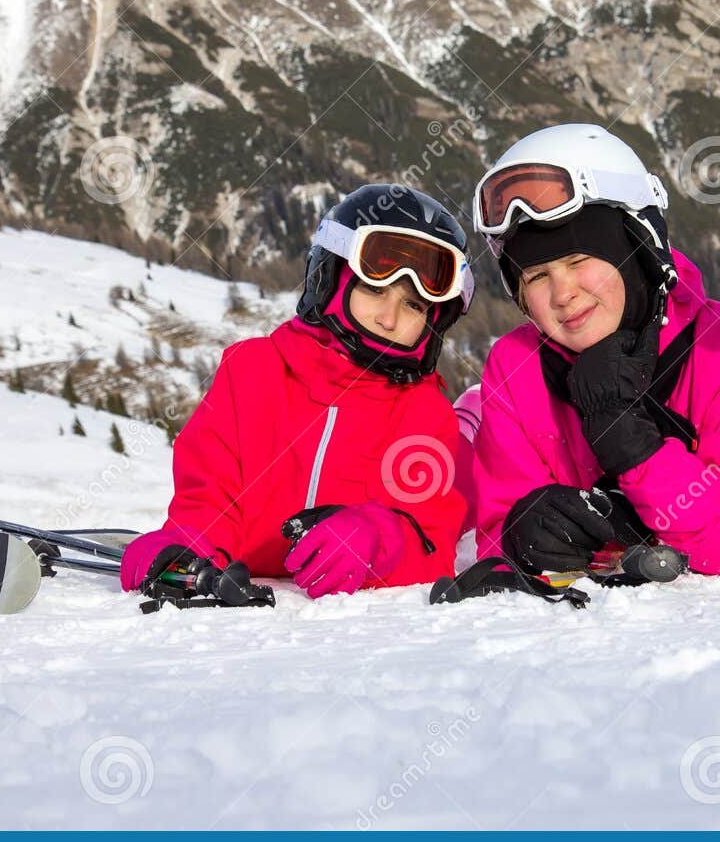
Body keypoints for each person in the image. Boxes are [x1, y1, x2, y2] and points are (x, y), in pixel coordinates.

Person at [468, 123, 720, 583]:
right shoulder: (517, 367)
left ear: (640, 250)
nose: (563, 293)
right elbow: (494, 536)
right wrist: (522, 532)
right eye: (537, 277)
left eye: (579, 261)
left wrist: (633, 445)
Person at [119, 185, 473, 598]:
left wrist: (377, 540)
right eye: (373, 290)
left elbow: (430, 540)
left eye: (413, 305)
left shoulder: (425, 413)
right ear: (331, 281)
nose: (389, 318)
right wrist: (185, 549)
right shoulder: (252, 371)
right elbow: (210, 495)